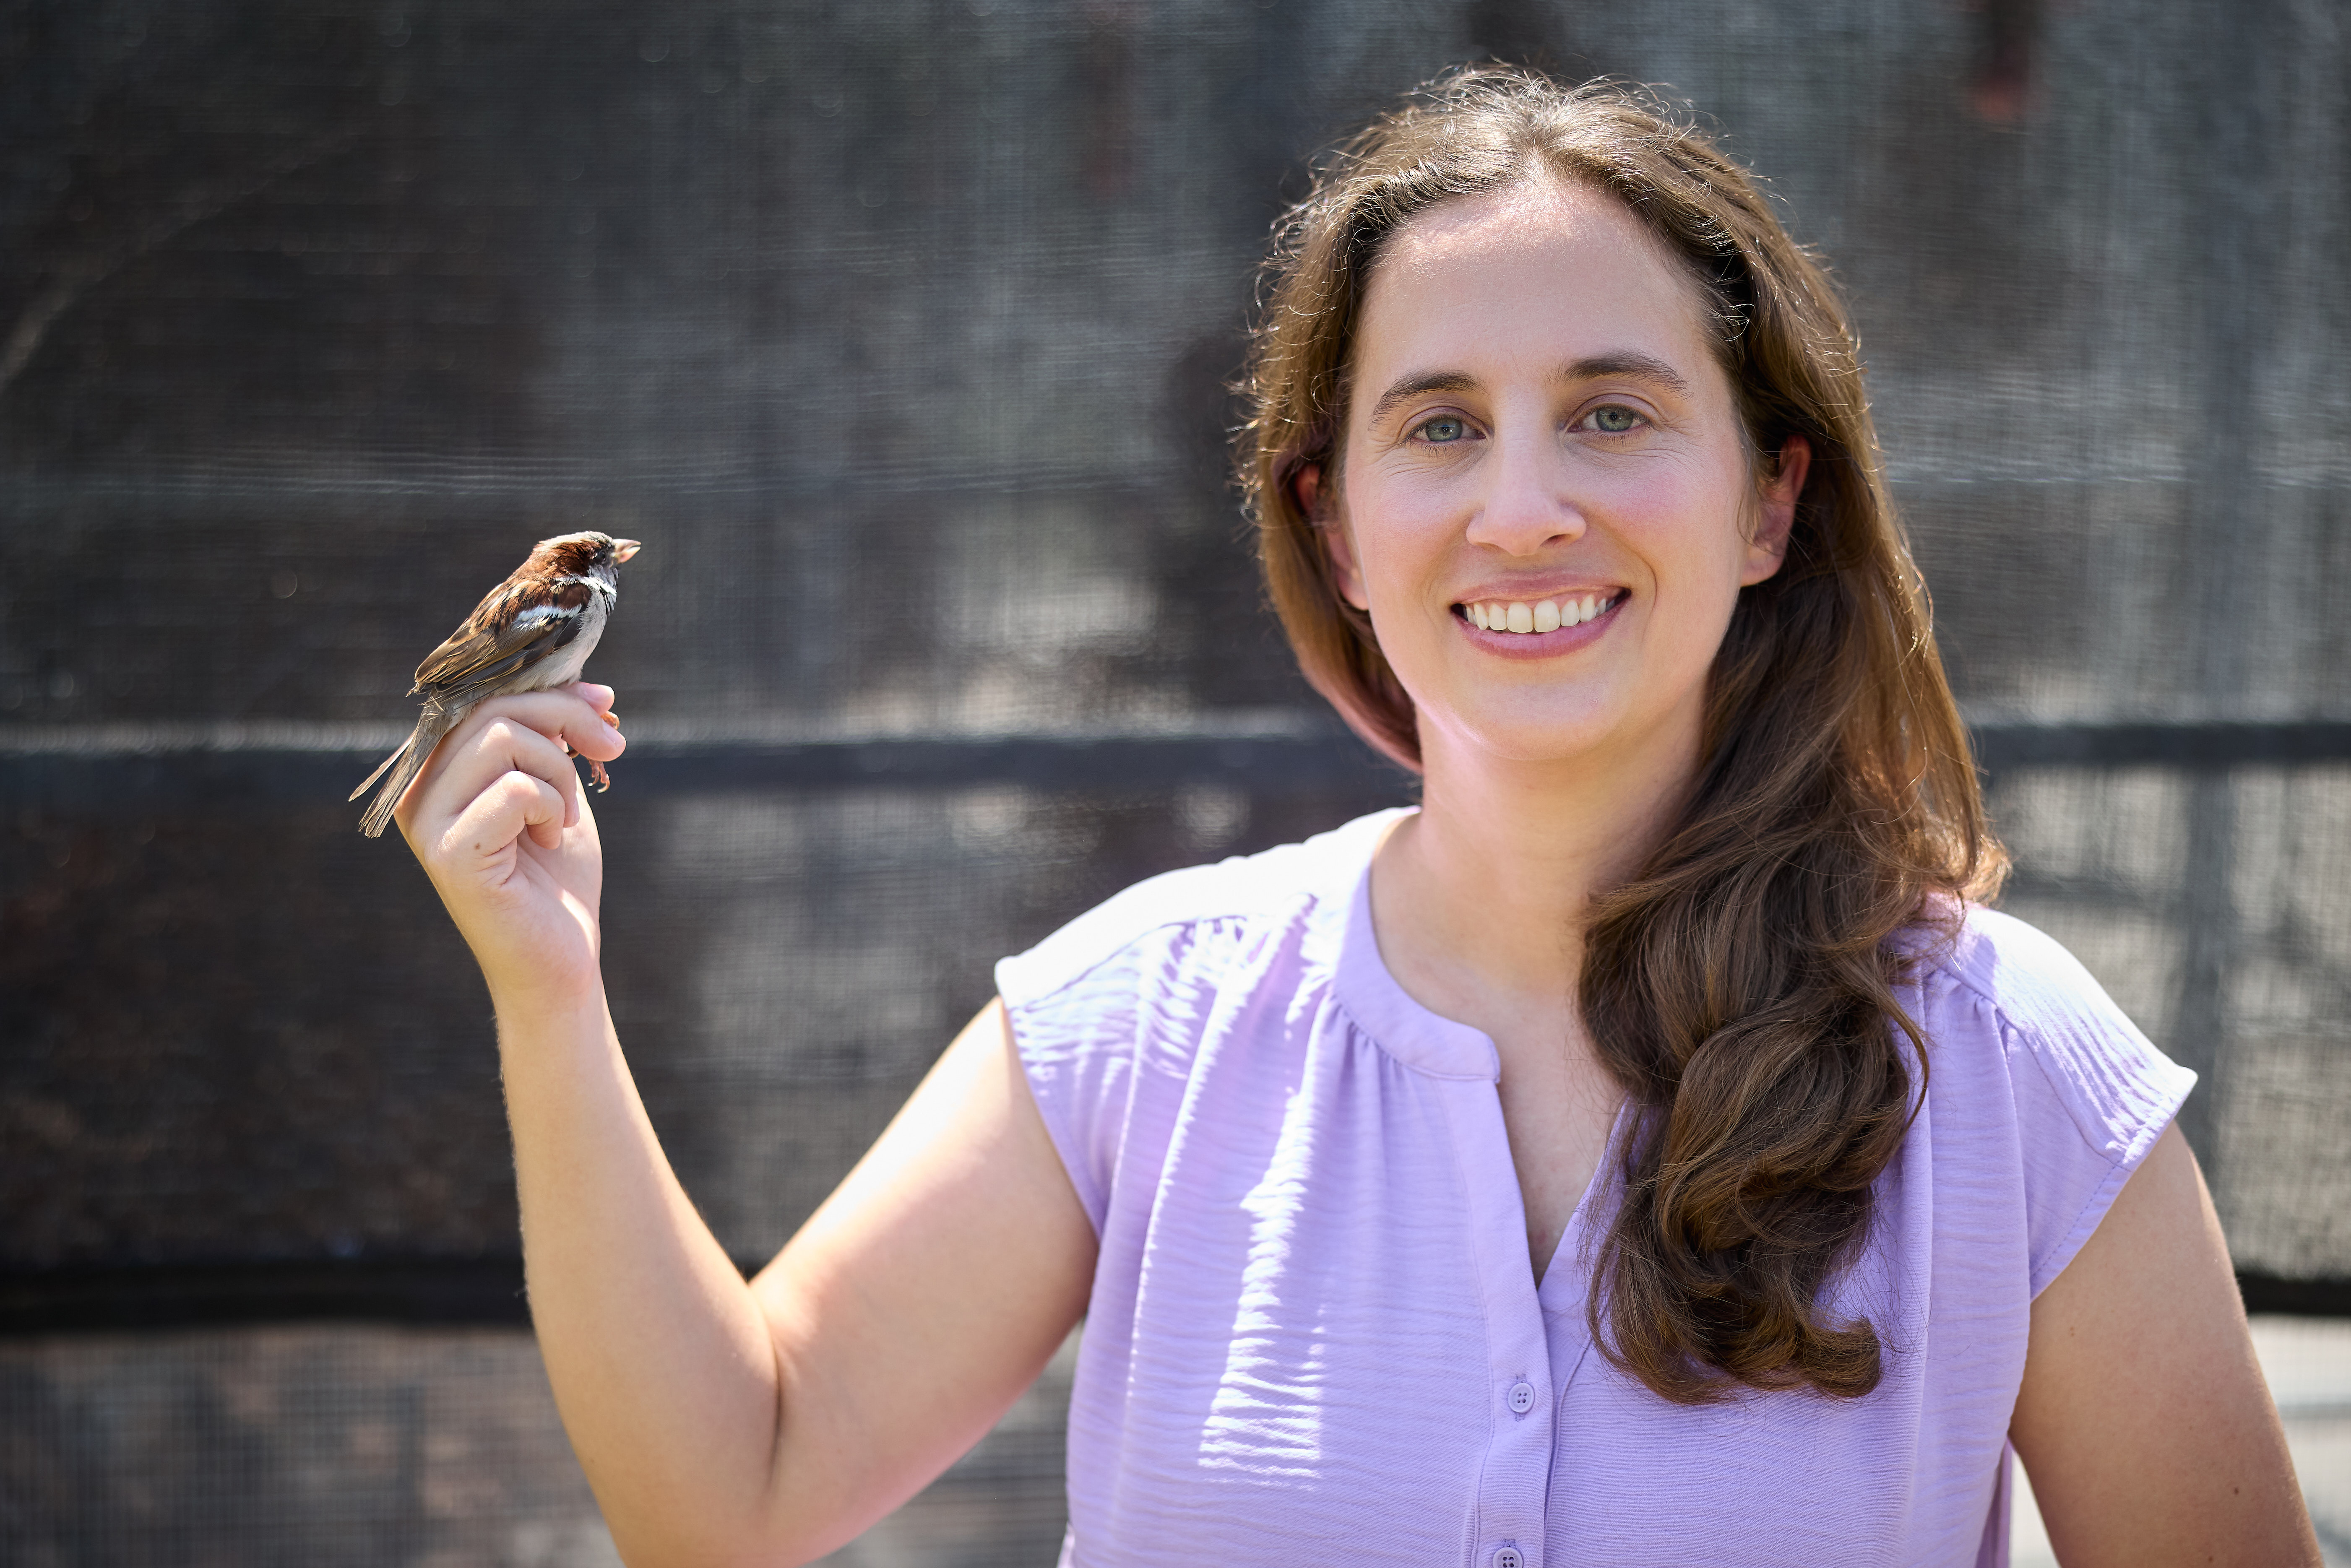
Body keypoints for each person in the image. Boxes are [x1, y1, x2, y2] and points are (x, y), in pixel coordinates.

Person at [393, 68, 2319, 1568]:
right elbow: (728, 1489)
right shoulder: (1143, 1023)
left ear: (1767, 501)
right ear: (1336, 529)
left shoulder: (2009, 1071)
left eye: (1613, 411)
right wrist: (549, 991)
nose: (1523, 506)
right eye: (1439, 423)